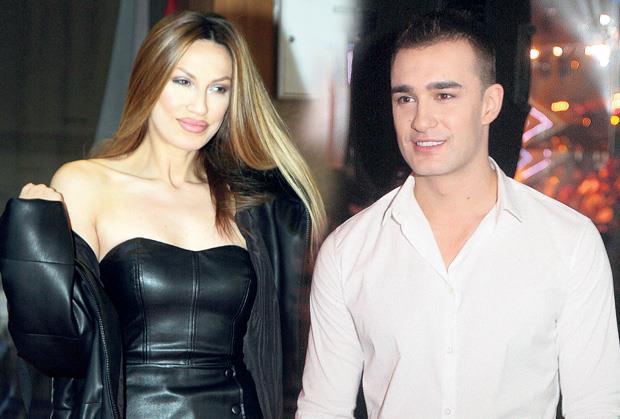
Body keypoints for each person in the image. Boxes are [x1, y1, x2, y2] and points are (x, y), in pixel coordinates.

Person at [296, 10, 620, 419]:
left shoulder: (569, 242)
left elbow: (595, 406)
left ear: (490, 104)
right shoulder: (348, 252)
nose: (420, 120)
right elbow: (323, 409)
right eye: (405, 98)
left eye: (444, 95)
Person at [0, 11, 325, 419]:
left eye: (219, 88)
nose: (200, 106)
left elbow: (279, 349)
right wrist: (32, 240)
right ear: (149, 79)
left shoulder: (248, 203)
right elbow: (55, 347)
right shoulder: (86, 184)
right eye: (183, 81)